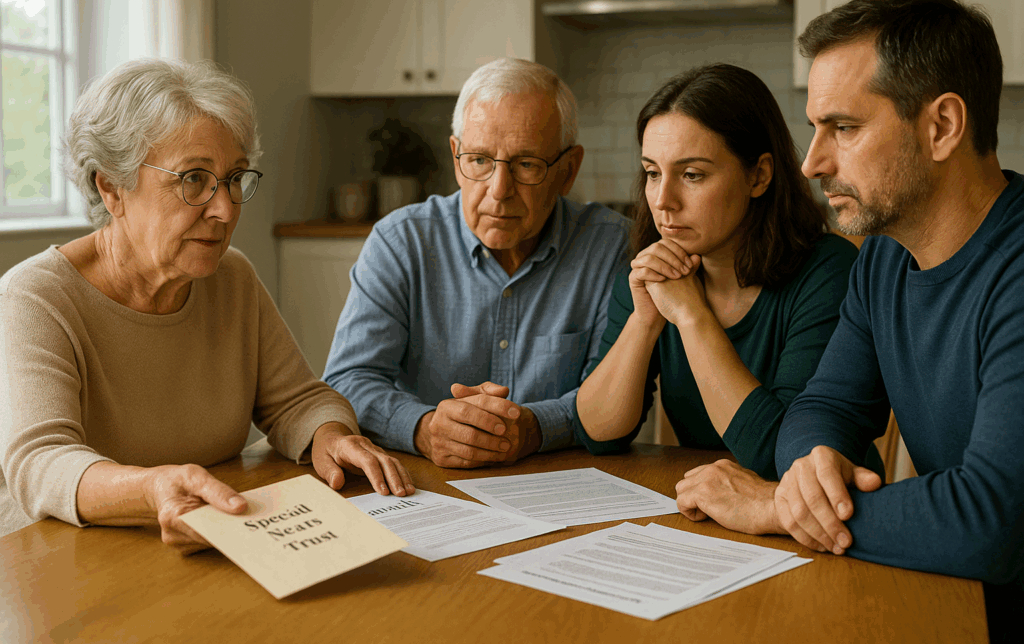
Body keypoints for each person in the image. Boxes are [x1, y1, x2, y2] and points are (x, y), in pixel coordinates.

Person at [674, 0, 1023, 640]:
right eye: (815, 127)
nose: (812, 162)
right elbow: (821, 406)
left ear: (942, 126)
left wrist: (778, 505)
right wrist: (812, 468)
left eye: (845, 127)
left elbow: (991, 522)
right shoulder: (882, 261)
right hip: (954, 599)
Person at [0, 59, 413, 552]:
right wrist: (152, 490)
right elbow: (41, 463)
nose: (224, 209)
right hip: (56, 560)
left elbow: (298, 400)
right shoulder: (35, 298)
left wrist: (330, 435)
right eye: (193, 179)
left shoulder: (230, 276)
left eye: (234, 177)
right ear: (111, 186)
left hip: (199, 544)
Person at [322, 58, 630, 469]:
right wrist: (425, 429)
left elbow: (616, 401)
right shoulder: (400, 242)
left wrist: (534, 428)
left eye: (526, 165)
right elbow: (348, 380)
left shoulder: (612, 248)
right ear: (455, 158)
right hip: (428, 485)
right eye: (480, 160)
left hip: (567, 486)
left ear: (567, 170)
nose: (499, 191)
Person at [574, 64, 859, 488]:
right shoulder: (653, 273)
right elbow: (598, 434)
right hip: (708, 511)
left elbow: (778, 455)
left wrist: (692, 317)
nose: (663, 201)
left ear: (758, 176)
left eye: (692, 175)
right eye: (653, 173)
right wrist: (645, 321)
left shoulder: (827, 271)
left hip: (817, 521)